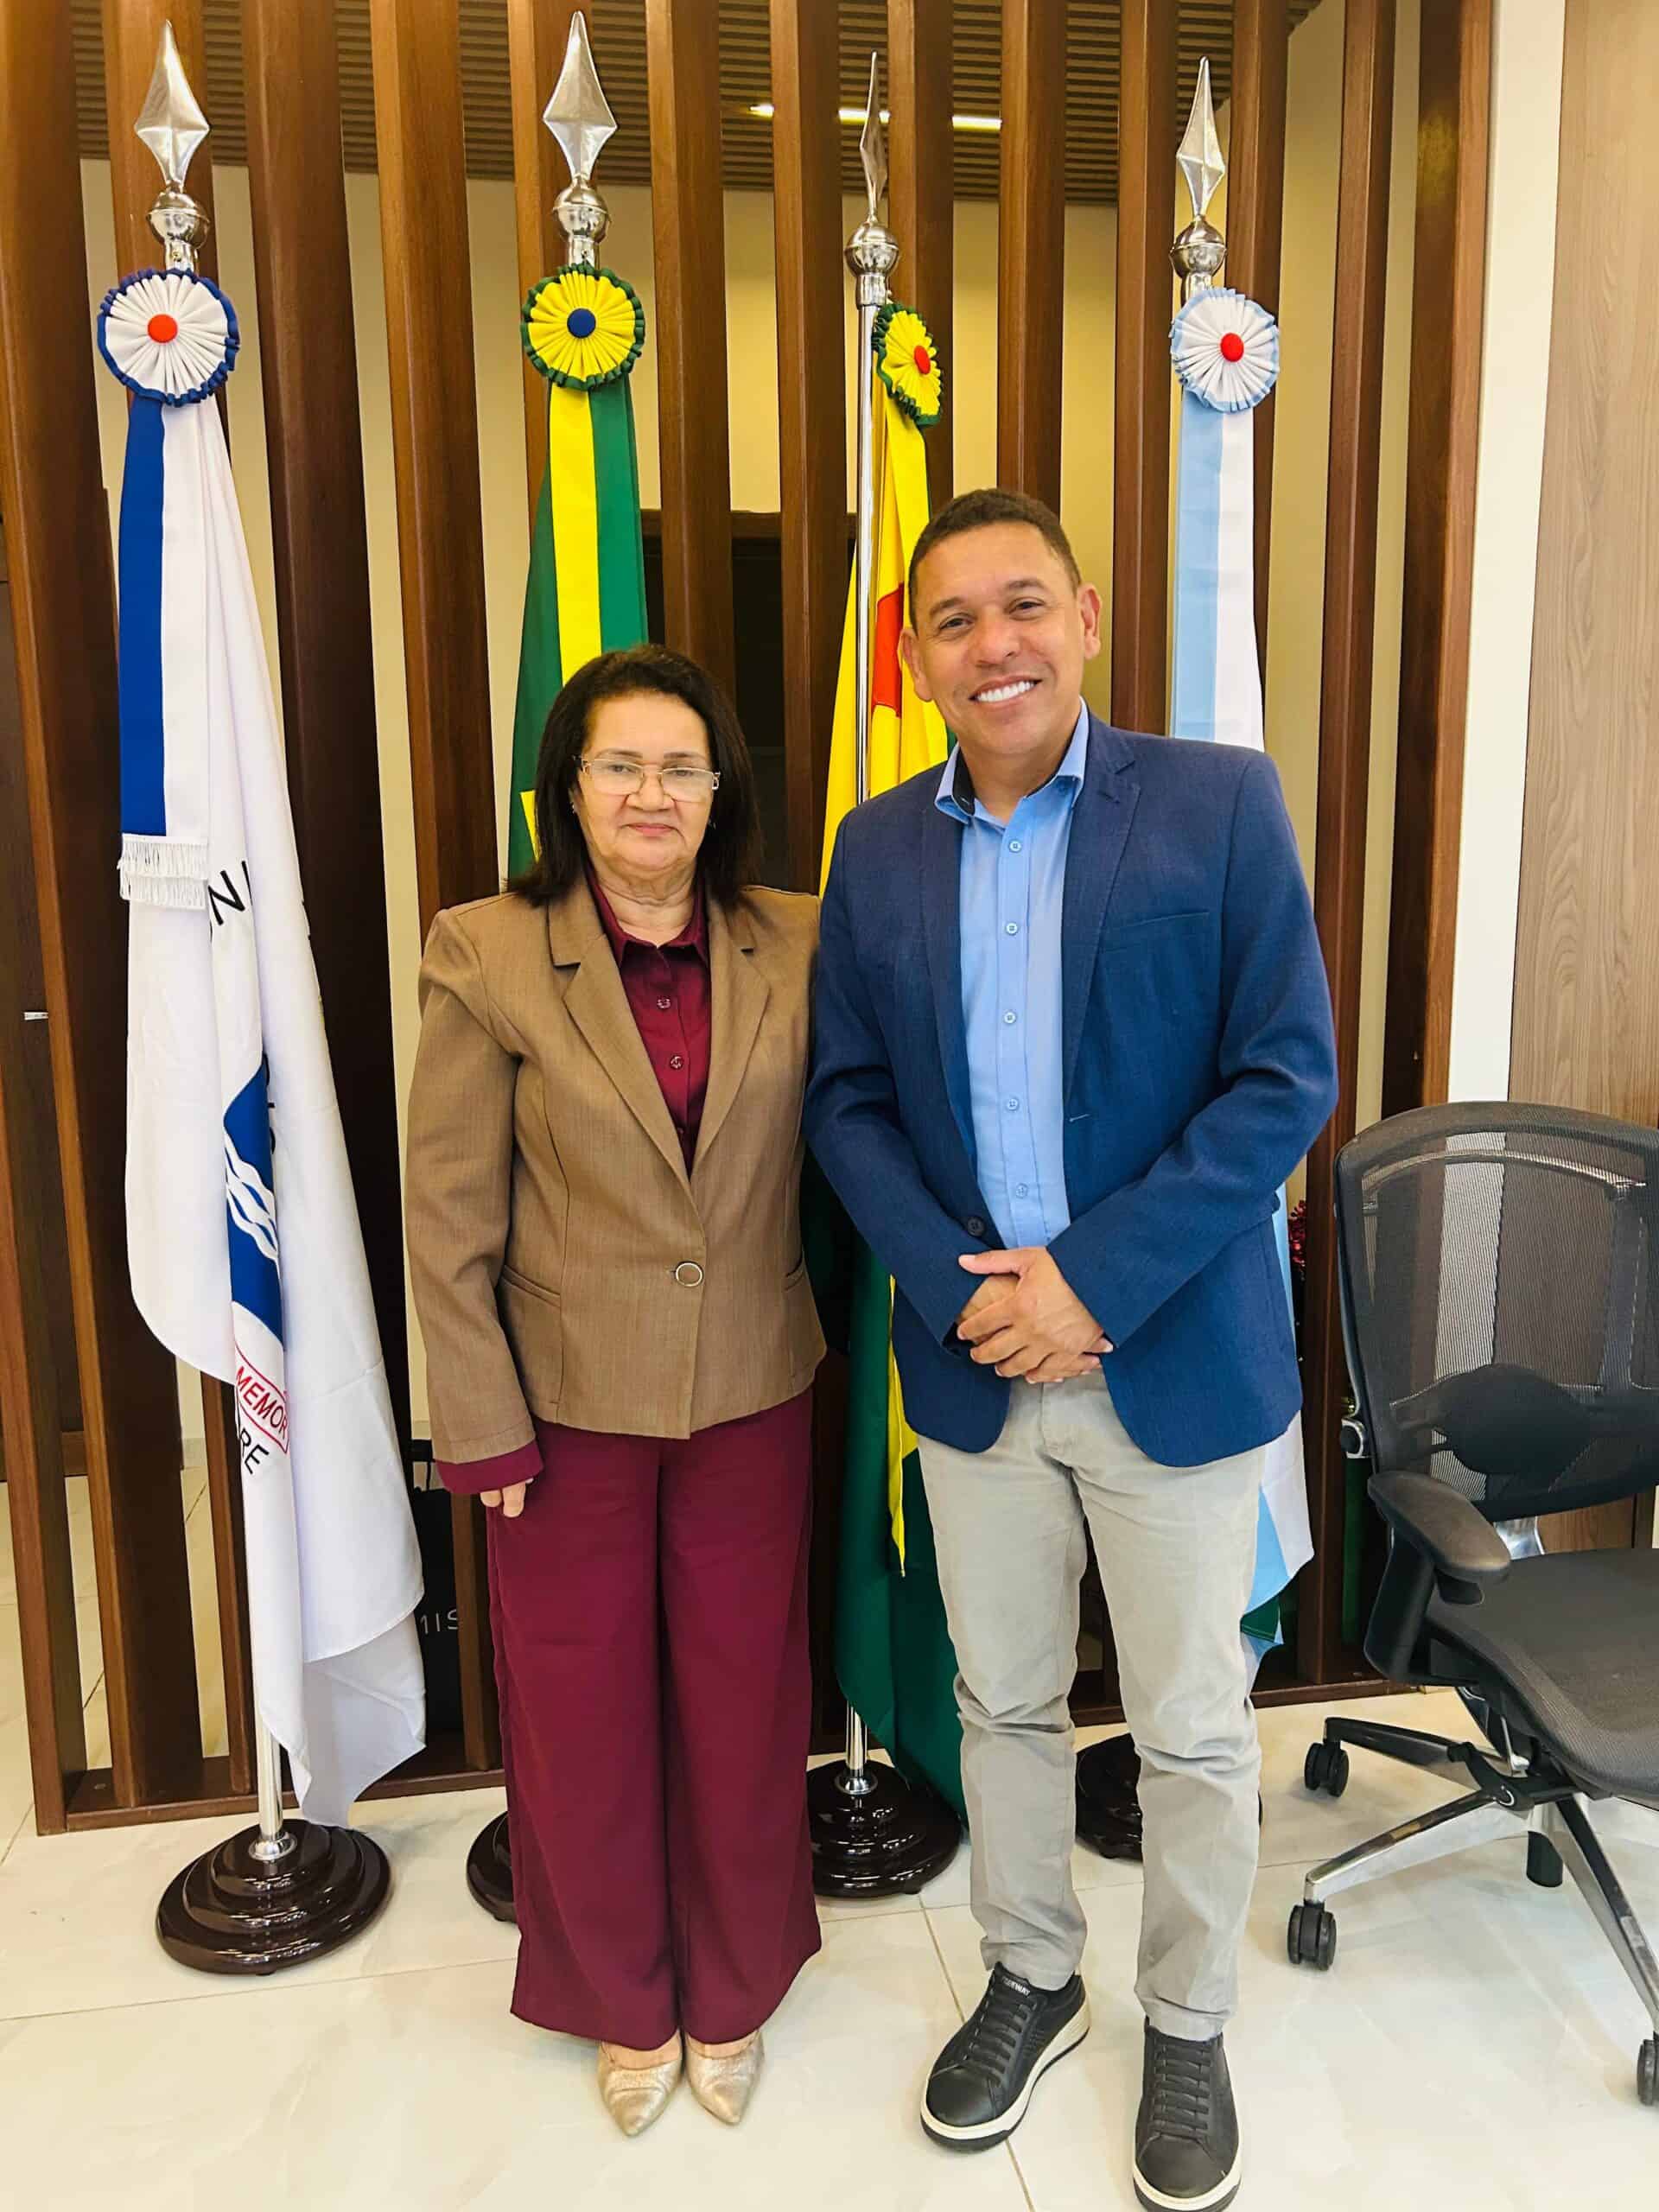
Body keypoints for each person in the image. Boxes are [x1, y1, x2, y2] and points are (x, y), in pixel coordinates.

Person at [805, 489, 1338, 2211]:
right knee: (1006, 1702)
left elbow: (1286, 1075)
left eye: (1024, 603)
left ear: (1089, 619)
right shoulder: (877, 849)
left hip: (1165, 1355)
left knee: (1188, 1726)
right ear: (915, 657)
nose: (995, 644)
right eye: (953, 619)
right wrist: (965, 1286)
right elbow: (848, 1100)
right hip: (975, 1366)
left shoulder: (1217, 801)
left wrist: (1090, 1286)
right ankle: (1032, 1975)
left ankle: (1187, 2016)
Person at [406, 645, 823, 2138]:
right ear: (569, 792)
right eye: (620, 765)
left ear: (721, 792)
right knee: (580, 1711)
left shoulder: (802, 938)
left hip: (755, 1389)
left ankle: (736, 1984)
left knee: (744, 1700)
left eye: (681, 766)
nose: (653, 792)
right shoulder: (487, 951)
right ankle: (623, 2000)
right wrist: (480, 1423)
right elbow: (448, 1209)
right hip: (562, 1408)